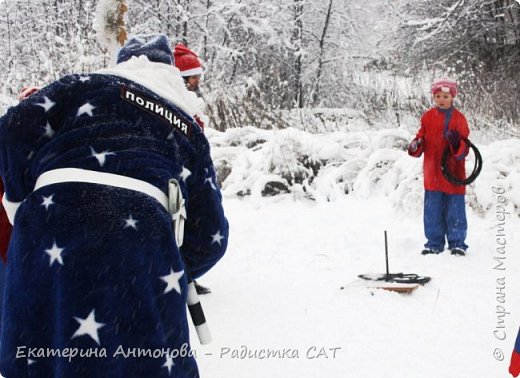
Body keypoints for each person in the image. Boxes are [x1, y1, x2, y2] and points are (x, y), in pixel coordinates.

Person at [0, 34, 228, 377]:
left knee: (43, 354)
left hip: (45, 224)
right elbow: (210, 237)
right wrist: (166, 264)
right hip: (142, 240)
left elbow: (12, 127)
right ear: (172, 73)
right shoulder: (187, 127)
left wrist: (18, 202)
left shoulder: (80, 85)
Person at [408, 78, 469, 256]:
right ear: (434, 97)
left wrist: (457, 143)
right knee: (432, 211)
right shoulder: (427, 116)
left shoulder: (459, 118)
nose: (441, 99)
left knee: (455, 211)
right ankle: (434, 243)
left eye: (445, 96)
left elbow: (464, 148)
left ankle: (457, 243)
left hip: (453, 173)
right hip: (432, 172)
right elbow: (420, 139)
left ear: (452, 97)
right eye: (438, 96)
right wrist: (416, 144)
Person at [174, 43, 211, 294]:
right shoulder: (173, 101)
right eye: (192, 77)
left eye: (198, 76)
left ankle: (188, 274)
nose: (196, 81)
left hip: (191, 170)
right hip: (177, 171)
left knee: (189, 226)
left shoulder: (190, 100)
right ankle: (179, 275)